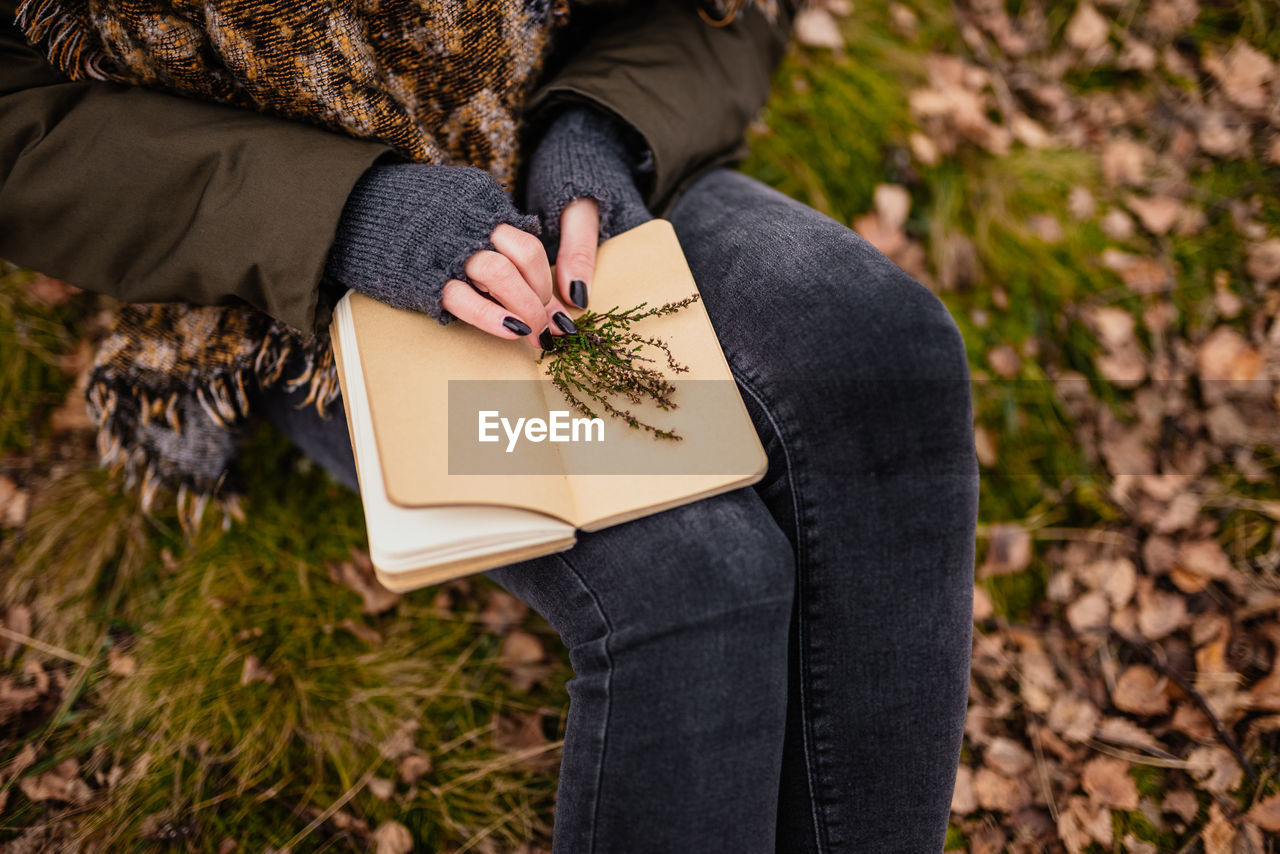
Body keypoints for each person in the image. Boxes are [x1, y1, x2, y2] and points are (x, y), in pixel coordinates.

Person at [0, 0, 979, 851]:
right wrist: (343, 213)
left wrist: (599, 127)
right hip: (285, 261)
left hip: (587, 162)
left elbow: (729, 12)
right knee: (700, 570)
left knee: (884, 348)